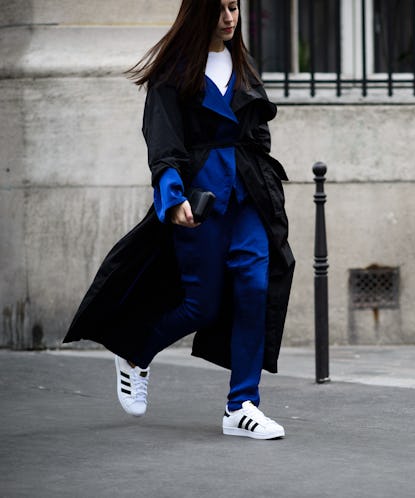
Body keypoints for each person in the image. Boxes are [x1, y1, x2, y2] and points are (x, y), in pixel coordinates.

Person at [64, 0, 295, 440]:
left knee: (256, 288)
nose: (229, 17)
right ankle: (135, 354)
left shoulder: (242, 65)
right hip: (199, 200)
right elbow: (163, 143)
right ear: (198, 13)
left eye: (234, 7)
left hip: (248, 199)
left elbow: (258, 132)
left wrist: (261, 173)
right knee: (201, 304)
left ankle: (242, 405)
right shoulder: (174, 72)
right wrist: (172, 197)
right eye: (220, 9)